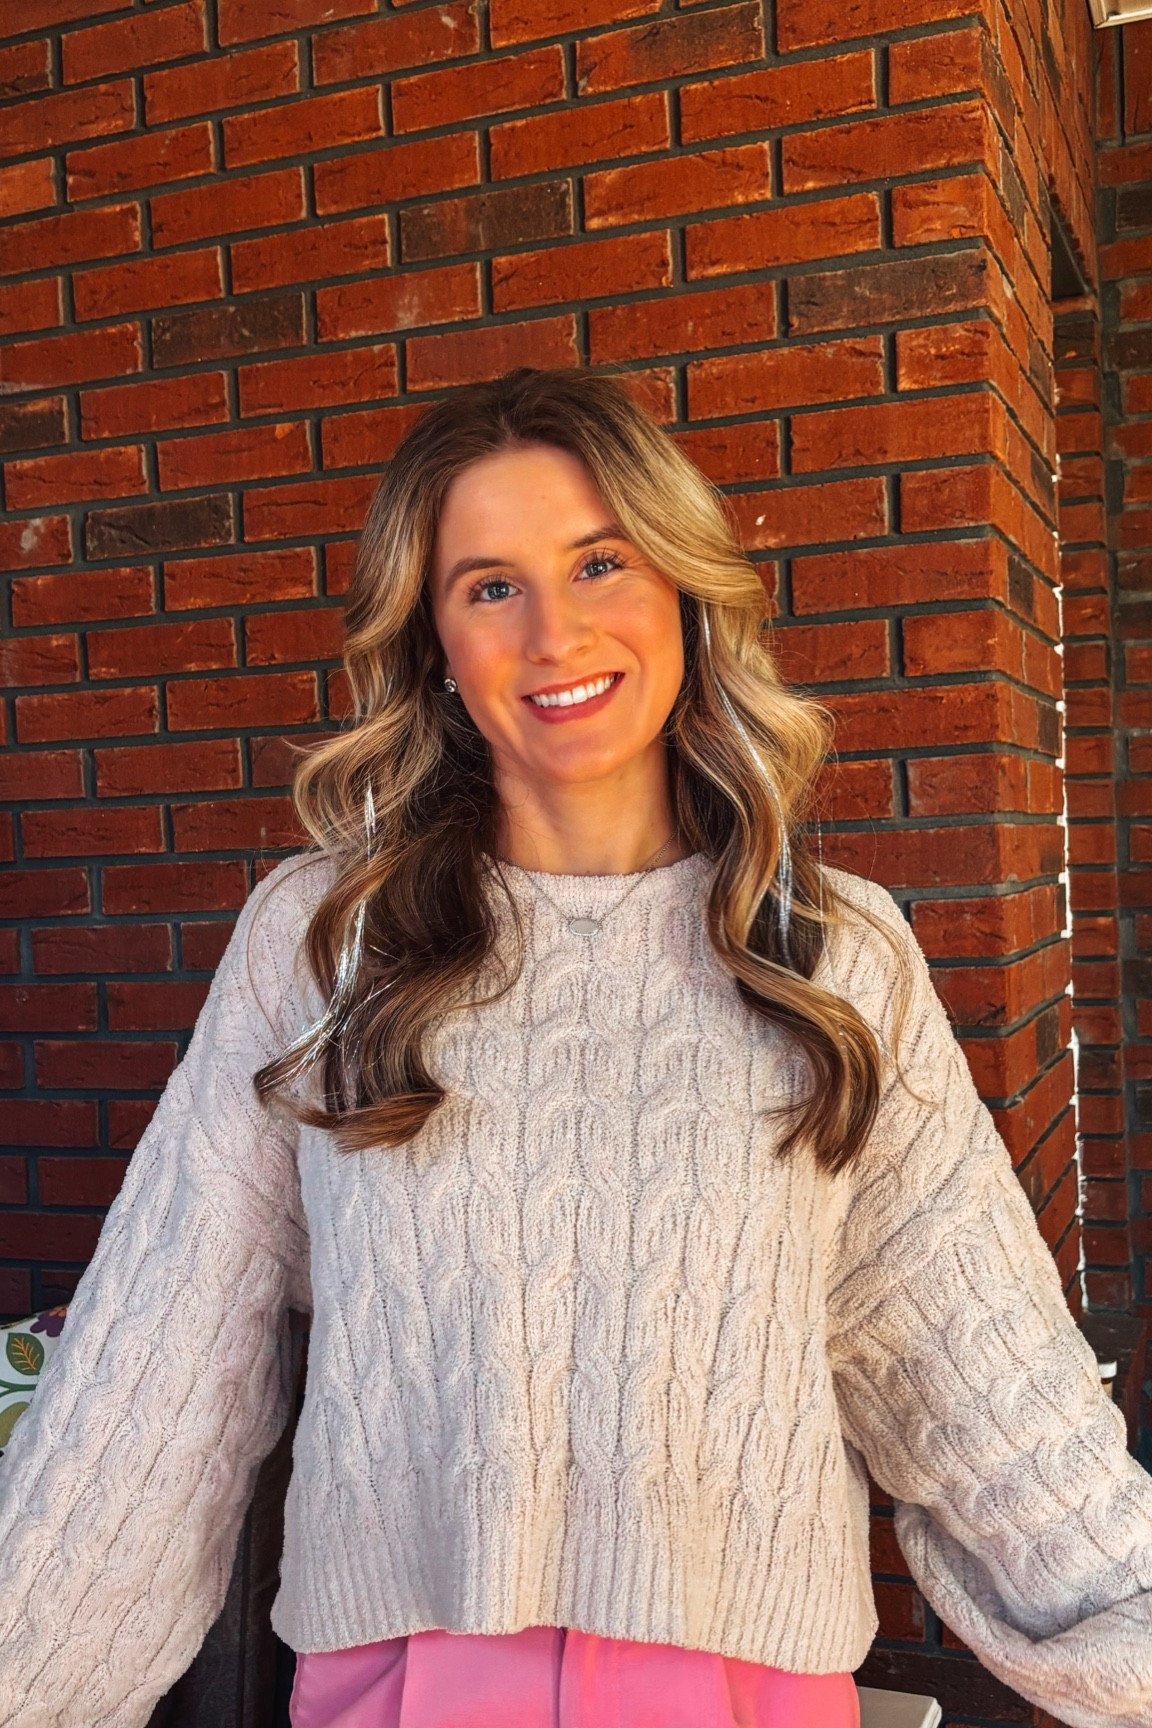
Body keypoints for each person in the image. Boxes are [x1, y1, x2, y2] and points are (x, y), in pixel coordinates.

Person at [0, 368, 1149, 1728]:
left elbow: (976, 1370)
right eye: (489, 585)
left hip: (745, 1693)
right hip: (400, 1689)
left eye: (600, 560)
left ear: (680, 585)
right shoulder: (323, 940)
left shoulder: (836, 955)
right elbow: (155, 1376)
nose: (555, 631)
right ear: (433, 641)